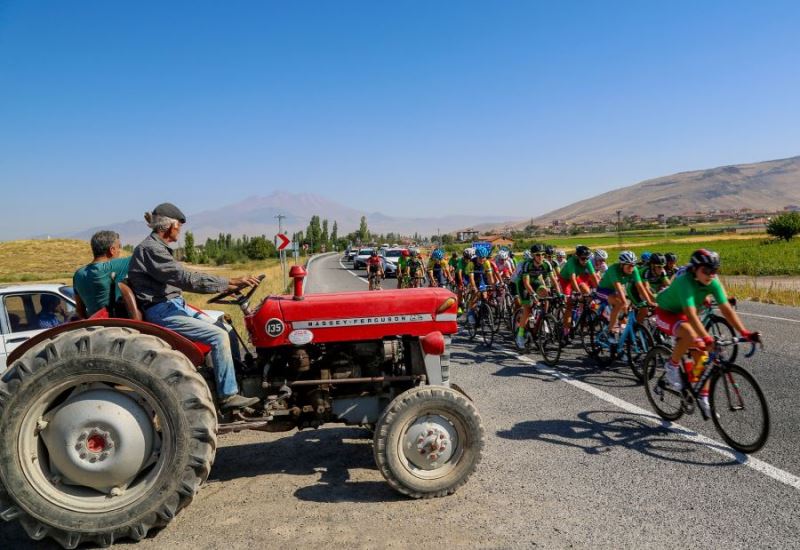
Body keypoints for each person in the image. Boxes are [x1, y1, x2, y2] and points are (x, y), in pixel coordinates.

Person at [128, 203, 261, 411]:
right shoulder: (151, 250)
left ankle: (238, 377)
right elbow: (185, 278)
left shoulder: (157, 248)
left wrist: (232, 284)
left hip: (173, 305)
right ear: (170, 226)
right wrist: (229, 281)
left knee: (227, 328)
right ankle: (228, 396)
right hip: (162, 311)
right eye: (178, 227)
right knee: (218, 336)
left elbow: (186, 275)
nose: (179, 231)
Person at [654, 249, 759, 415]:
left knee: (703, 356)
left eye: (714, 270)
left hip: (683, 315)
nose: (711, 275)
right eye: (706, 270)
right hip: (666, 312)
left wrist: (745, 332)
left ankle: (703, 397)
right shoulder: (685, 282)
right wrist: (707, 338)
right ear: (695, 269)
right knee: (692, 334)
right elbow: (690, 314)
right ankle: (671, 366)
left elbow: (726, 310)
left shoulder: (713, 281)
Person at [596, 251, 655, 339]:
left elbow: (640, 286)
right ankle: (610, 330)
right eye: (629, 265)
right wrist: (624, 303)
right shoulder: (614, 269)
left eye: (633, 265)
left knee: (624, 311)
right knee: (620, 303)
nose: (631, 268)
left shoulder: (634, 270)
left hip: (614, 291)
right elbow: (618, 287)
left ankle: (624, 331)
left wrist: (649, 301)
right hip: (603, 290)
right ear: (622, 265)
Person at [73, 230, 132, 318]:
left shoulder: (78, 274)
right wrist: (155, 226)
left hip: (93, 325)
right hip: (115, 324)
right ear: (112, 250)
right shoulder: (112, 267)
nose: (120, 251)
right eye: (119, 247)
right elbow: (142, 254)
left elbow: (79, 310)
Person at [514, 244, 561, 349]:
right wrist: (533, 294)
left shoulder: (547, 264)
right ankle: (520, 335)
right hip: (523, 284)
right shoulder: (527, 265)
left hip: (535, 281)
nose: (541, 257)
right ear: (533, 256)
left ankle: (542, 318)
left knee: (546, 294)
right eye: (538, 255)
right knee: (528, 309)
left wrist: (560, 294)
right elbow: (526, 283)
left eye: (543, 254)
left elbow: (554, 281)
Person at [559, 245, 598, 337]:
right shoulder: (571, 262)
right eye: (583, 258)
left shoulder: (587, 262)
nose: (585, 261)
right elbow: (572, 280)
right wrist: (578, 293)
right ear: (577, 257)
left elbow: (594, 278)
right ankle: (566, 330)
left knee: (586, 290)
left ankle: (581, 313)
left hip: (576, 279)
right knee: (569, 304)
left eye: (587, 258)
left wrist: (600, 290)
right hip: (565, 281)